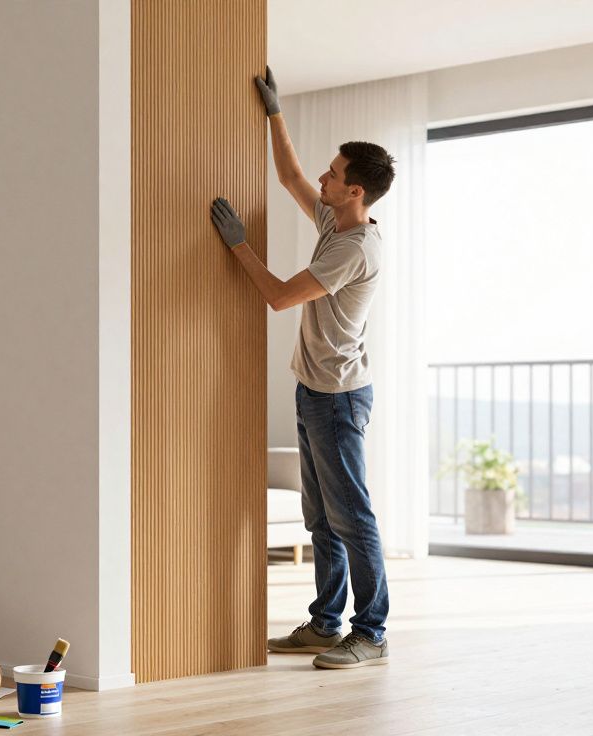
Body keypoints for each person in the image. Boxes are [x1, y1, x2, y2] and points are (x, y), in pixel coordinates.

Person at [208, 66, 395, 670]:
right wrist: (274, 111)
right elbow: (290, 175)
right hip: (314, 388)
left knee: (351, 517)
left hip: (338, 397)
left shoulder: (353, 247)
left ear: (355, 191)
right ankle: (325, 623)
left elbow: (280, 296)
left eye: (333, 175)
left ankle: (371, 632)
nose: (322, 178)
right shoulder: (335, 219)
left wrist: (237, 244)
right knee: (321, 519)